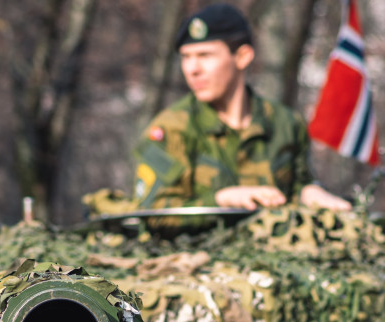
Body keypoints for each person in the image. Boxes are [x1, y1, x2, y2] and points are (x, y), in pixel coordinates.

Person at [133, 4, 351, 213]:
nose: (192, 69)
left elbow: (295, 186)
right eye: (186, 57)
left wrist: (310, 193)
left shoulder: (285, 124)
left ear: (242, 56)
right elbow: (151, 211)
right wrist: (220, 200)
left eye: (205, 56)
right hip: (198, 250)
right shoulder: (172, 128)